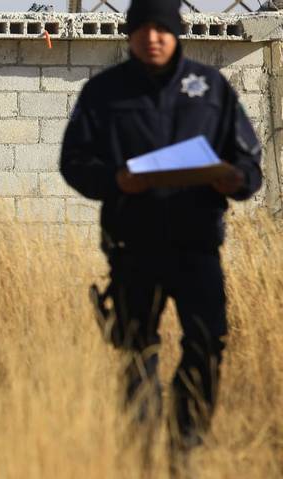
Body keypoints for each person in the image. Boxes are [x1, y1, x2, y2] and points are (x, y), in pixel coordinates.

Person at [60, 0, 262, 464]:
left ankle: (183, 444)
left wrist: (236, 179)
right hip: (132, 249)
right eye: (143, 29)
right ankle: (142, 453)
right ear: (130, 35)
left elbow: (250, 164)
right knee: (136, 352)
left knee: (208, 342)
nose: (152, 37)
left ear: (177, 34)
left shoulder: (211, 89)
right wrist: (114, 180)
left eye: (162, 29)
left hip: (198, 246)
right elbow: (73, 163)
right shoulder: (103, 93)